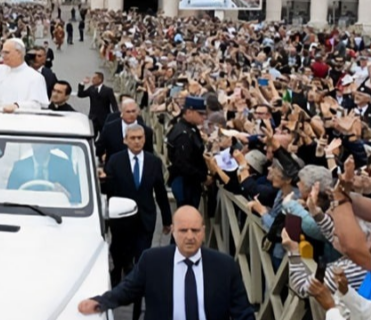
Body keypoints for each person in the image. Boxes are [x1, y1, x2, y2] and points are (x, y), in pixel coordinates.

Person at [77, 206, 253, 320]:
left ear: (204, 232)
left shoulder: (225, 266)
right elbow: (127, 290)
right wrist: (101, 302)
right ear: (173, 232)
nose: (190, 236)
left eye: (195, 230)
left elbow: (243, 313)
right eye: (184, 230)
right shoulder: (152, 261)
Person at [103, 124, 171, 320]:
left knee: (141, 262)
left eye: (140, 138)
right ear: (125, 140)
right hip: (121, 220)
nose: (137, 141)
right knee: (120, 259)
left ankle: (138, 308)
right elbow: (108, 191)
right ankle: (114, 297)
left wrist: (167, 219)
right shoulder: (115, 161)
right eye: (132, 138)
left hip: (145, 220)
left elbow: (160, 192)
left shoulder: (153, 162)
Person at [167, 97, 208, 209]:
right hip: (186, 184)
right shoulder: (184, 134)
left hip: (189, 182)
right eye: (200, 114)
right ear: (189, 112)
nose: (203, 117)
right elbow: (183, 164)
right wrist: (203, 177)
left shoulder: (189, 128)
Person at [7, 143, 81, 203]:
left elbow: (77, 198)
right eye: (35, 142)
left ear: (50, 145)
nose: (39, 146)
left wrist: (65, 194)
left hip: (56, 213)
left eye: (42, 143)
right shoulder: (19, 167)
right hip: (28, 212)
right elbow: (8, 198)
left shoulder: (64, 167)